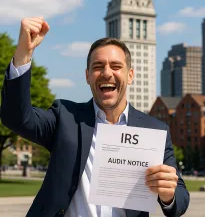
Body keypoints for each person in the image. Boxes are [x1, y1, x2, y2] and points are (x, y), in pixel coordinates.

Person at [0, 17, 189, 217]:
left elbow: (181, 199)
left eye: (116, 66)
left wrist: (168, 196)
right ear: (88, 75)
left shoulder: (155, 131)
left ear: (130, 75)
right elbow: (16, 118)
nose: (107, 73)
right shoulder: (65, 117)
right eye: (98, 66)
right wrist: (23, 53)